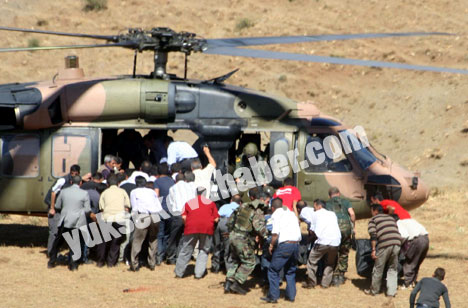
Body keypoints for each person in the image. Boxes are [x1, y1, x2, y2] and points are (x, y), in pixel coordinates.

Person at [225, 187, 268, 295]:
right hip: (242, 239)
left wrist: (231, 232)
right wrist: (267, 236)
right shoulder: (256, 210)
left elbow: (230, 222)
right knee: (249, 262)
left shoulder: (242, 207)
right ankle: (237, 283)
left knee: (236, 260)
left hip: (233, 235)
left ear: (251, 197)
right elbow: (259, 227)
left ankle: (228, 284)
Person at [261, 198, 301, 303]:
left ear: (272, 208)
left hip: (285, 244)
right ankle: (291, 296)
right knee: (290, 271)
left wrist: (271, 245)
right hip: (296, 244)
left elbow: (275, 234)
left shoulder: (276, 215)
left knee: (273, 270)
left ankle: (273, 296)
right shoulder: (291, 213)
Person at [48, 175, 91, 271]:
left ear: (71, 182)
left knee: (58, 243)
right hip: (77, 221)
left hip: (64, 220)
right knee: (75, 244)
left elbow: (58, 205)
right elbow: (88, 210)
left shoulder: (63, 191)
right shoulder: (84, 193)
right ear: (80, 183)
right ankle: (73, 265)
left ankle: (51, 261)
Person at [174, 187, 219, 279]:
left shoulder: (189, 203)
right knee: (203, 250)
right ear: (205, 193)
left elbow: (183, 217)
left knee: (186, 250)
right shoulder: (211, 203)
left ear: (196, 193)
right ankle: (198, 274)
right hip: (207, 229)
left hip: (191, 228)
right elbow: (216, 219)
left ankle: (179, 273)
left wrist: (187, 225)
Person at [364, 203, 402, 297]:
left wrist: (373, 250)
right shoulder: (390, 218)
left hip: (385, 244)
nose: (371, 213)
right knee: (393, 268)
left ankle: (374, 291)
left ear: (375, 211)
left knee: (378, 268)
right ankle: (391, 292)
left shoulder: (373, 220)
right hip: (397, 243)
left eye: (371, 211)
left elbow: (373, 236)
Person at [302, 199, 341, 289]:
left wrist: (308, 240)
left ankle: (312, 283)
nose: (314, 209)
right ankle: (325, 284)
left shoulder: (316, 214)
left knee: (312, 261)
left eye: (315, 207)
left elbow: (313, 231)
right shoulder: (332, 214)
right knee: (330, 263)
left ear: (319, 206)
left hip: (322, 242)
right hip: (335, 242)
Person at [45, 164, 81, 257]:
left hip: (64, 209)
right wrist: (52, 208)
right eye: (72, 173)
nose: (73, 175)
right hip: (55, 208)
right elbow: (53, 192)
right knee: (54, 231)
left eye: (75, 174)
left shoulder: (75, 181)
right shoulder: (63, 180)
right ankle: (51, 253)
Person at [97, 174, 130, 267]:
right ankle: (111, 263)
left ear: (107, 184)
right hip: (119, 219)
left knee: (102, 242)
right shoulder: (123, 192)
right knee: (116, 243)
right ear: (118, 183)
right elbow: (127, 205)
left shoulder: (104, 192)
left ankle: (100, 262)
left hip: (106, 218)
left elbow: (101, 208)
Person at [129, 176, 162, 271]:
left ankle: (134, 264)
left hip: (143, 216)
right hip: (155, 216)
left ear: (136, 183)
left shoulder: (134, 192)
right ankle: (152, 263)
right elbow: (159, 206)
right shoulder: (151, 192)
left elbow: (134, 208)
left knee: (137, 240)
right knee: (153, 239)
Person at [325, 187, 355, 286]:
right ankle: (341, 275)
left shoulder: (327, 204)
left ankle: (334, 275)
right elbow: (352, 214)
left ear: (330, 195)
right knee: (344, 251)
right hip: (346, 229)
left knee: (333, 251)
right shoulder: (346, 202)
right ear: (339, 193)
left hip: (335, 229)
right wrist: (353, 227)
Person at [165, 172, 197, 264]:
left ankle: (171, 258)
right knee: (184, 237)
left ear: (175, 180)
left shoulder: (172, 188)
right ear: (185, 179)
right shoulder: (190, 187)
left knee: (174, 237)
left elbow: (171, 203)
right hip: (189, 214)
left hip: (177, 214)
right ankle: (181, 257)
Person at [211, 194, 242, 273]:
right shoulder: (239, 208)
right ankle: (229, 269)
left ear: (231, 200)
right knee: (228, 248)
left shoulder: (224, 206)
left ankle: (215, 267)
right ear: (240, 203)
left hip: (219, 223)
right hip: (228, 225)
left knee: (217, 246)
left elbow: (217, 215)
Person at [398, 217, 429, 288]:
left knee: (409, 262)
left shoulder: (399, 223)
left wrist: (399, 246)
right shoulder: (410, 220)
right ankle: (413, 281)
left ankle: (408, 284)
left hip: (416, 241)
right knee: (416, 262)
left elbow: (404, 236)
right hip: (426, 239)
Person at [154, 163, 175, 264]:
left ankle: (159, 257)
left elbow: (156, 195)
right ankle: (168, 255)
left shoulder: (157, 181)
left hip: (160, 210)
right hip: (171, 210)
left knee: (160, 234)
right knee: (167, 234)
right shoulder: (172, 181)